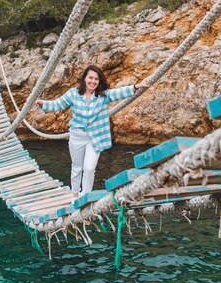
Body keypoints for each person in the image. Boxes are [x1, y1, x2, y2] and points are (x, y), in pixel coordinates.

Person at [36, 65, 150, 200]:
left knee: (89, 168)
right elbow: (57, 104)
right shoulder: (73, 94)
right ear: (85, 78)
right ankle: (75, 194)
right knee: (77, 167)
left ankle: (86, 195)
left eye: (96, 79)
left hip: (95, 137)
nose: (93, 81)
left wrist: (136, 87)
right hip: (77, 136)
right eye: (90, 78)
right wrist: (42, 103)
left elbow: (119, 92)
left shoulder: (103, 96)